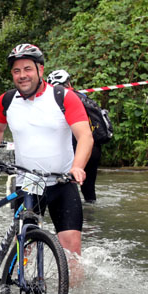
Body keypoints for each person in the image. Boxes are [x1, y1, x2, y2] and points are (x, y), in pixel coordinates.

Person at [0, 44, 93, 257]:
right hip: (29, 182)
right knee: (24, 248)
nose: (22, 76)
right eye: (16, 71)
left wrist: (78, 167)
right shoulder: (7, 100)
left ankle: (73, 291)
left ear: (40, 70)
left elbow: (85, 136)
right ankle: (17, 284)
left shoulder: (63, 97)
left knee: (72, 251)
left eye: (27, 69)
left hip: (62, 181)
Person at [47, 69, 100, 203]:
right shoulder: (83, 96)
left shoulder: (59, 101)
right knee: (89, 190)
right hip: (94, 146)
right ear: (68, 83)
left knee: (67, 188)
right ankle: (91, 217)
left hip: (74, 146)